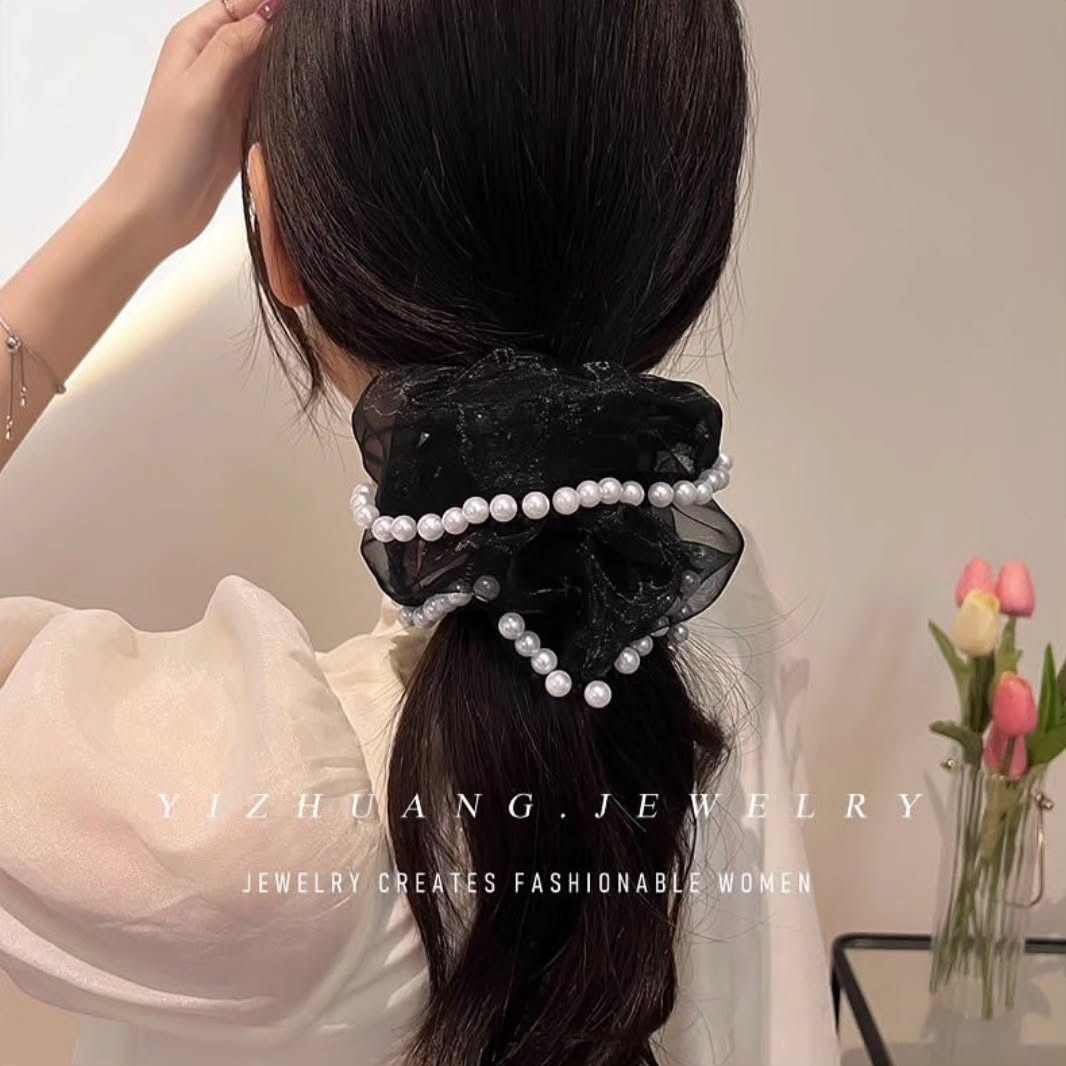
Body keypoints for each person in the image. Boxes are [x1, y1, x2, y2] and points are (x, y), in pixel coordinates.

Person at [0, 2, 837, 1064]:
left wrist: (133, 214)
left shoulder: (232, 813)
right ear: (685, 242)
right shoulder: (704, 597)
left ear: (276, 235)